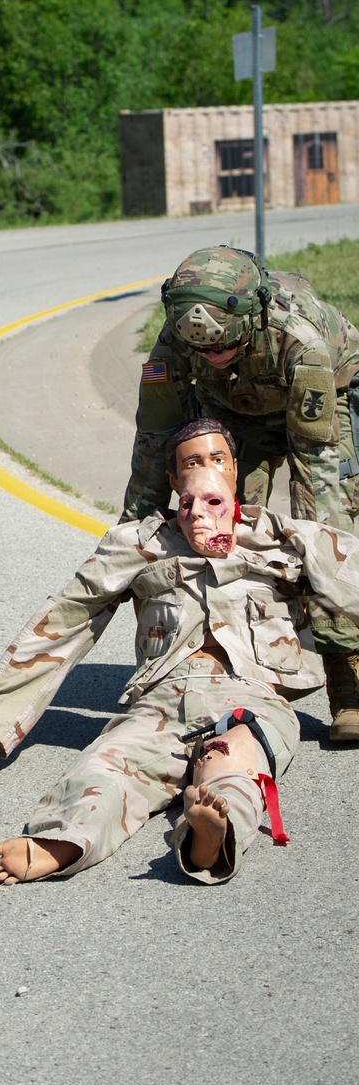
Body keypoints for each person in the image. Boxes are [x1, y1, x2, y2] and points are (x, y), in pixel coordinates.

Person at [0, 436, 359, 886]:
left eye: (217, 459)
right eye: (191, 463)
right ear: (173, 481)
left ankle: (209, 838)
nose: (205, 469)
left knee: (232, 763)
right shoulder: (137, 543)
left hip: (252, 699)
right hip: (161, 702)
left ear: (235, 469)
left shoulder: (290, 538)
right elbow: (66, 620)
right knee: (106, 765)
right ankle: (61, 843)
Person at [122, 245, 359, 742]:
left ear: (250, 318)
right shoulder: (174, 343)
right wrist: (132, 535)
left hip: (320, 403)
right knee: (225, 522)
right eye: (202, 351)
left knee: (323, 530)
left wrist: (322, 553)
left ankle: (347, 680)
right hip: (233, 410)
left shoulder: (300, 341)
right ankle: (235, 661)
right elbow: (155, 438)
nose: (210, 356)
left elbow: (317, 475)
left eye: (220, 347)